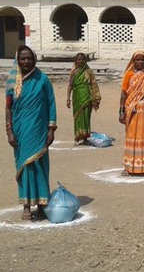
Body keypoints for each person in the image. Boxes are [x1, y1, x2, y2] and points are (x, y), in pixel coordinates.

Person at [5, 45, 57, 220]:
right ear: (18, 60)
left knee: (40, 166)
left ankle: (42, 205)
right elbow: (8, 108)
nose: (26, 61)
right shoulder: (13, 81)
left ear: (34, 59)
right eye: (22, 58)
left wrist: (51, 129)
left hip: (39, 131)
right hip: (20, 131)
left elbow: (51, 104)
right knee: (24, 166)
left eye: (29, 58)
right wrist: (9, 131)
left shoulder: (43, 80)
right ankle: (26, 205)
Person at [119, 51, 144, 175]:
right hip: (131, 110)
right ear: (133, 61)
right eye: (138, 60)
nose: (140, 62)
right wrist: (121, 111)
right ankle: (129, 167)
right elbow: (124, 94)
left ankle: (141, 166)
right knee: (131, 137)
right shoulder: (128, 75)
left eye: (143, 60)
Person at [67, 53, 101, 145]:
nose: (80, 61)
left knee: (86, 117)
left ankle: (85, 137)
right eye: (78, 59)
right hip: (77, 97)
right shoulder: (73, 72)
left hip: (87, 97)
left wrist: (96, 97)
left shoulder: (89, 71)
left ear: (85, 61)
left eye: (82, 59)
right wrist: (68, 98)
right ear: (75, 61)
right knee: (77, 117)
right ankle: (78, 137)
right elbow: (70, 85)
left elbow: (94, 84)